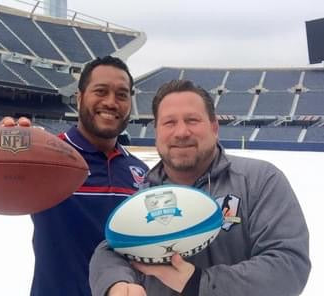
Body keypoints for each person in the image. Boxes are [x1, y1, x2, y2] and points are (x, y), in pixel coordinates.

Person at [89, 80, 311, 296]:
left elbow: (288, 265)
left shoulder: (259, 181)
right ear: (156, 131)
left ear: (214, 127)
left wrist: (199, 283)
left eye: (192, 120)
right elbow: (111, 250)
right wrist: (117, 283)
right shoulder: (144, 192)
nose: (181, 132)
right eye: (169, 123)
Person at [0, 56, 148, 295]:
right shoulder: (45, 157)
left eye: (121, 95)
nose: (111, 102)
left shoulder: (141, 172)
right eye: (100, 91)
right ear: (79, 98)